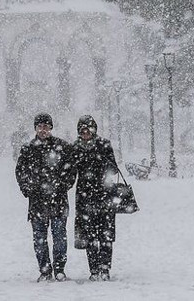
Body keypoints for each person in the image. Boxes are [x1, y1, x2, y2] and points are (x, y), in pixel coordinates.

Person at [15, 113, 75, 282]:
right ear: (35, 128)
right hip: (37, 202)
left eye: (46, 127)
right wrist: (28, 189)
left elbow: (71, 170)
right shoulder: (28, 149)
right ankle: (45, 270)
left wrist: (63, 186)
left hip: (58, 201)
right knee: (40, 239)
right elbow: (20, 171)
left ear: (51, 128)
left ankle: (59, 269)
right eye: (40, 126)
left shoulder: (62, 146)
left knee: (59, 237)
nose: (43, 130)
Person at [70, 115, 120, 281]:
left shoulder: (104, 145)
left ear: (94, 130)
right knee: (90, 235)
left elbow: (113, 169)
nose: (85, 133)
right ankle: (94, 269)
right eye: (82, 130)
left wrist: (101, 159)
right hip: (85, 197)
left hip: (104, 194)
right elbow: (69, 171)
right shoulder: (75, 148)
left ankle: (105, 268)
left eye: (88, 129)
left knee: (105, 235)